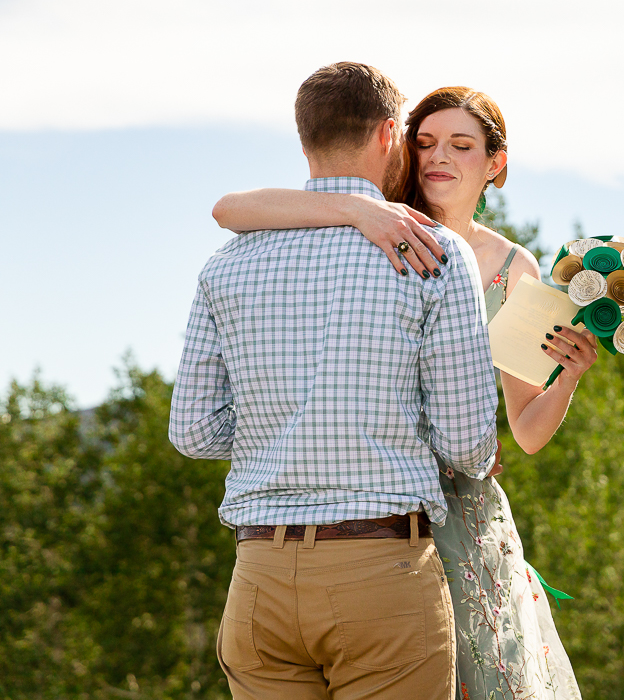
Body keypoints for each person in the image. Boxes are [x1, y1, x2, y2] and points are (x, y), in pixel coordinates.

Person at [212, 86, 594, 700]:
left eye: (462, 145)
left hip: (463, 512)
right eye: (425, 143)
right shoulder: (379, 222)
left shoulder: (514, 268)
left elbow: (524, 431)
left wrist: (567, 377)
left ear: (495, 162)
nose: (439, 157)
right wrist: (360, 212)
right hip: (365, 510)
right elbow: (230, 209)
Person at [171, 63, 500, 700]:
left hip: (258, 578)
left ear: (304, 142)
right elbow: (466, 444)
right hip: (383, 573)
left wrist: (287, 426)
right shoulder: (429, 250)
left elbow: (191, 431)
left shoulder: (226, 264)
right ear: (388, 136)